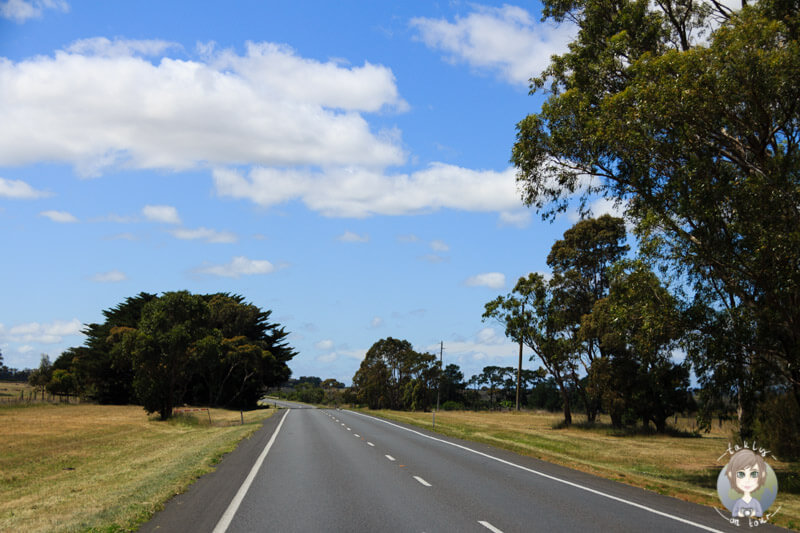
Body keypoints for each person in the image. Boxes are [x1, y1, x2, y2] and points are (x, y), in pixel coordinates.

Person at [726, 449, 767, 518]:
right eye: (741, 474)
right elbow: (734, 513)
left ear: (762, 475)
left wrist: (753, 513)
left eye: (754, 474)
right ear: (731, 475)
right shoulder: (739, 502)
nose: (747, 480)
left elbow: (759, 513)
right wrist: (739, 513)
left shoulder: (755, 502)